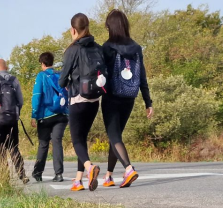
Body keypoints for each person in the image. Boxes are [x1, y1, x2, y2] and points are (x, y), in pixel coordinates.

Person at [102, 9, 153, 188]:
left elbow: (101, 74)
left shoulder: (107, 47)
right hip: (130, 96)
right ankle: (108, 175)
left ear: (110, 26)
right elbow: (142, 77)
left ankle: (129, 169)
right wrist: (148, 102)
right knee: (116, 137)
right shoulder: (136, 47)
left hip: (112, 96)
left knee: (114, 135)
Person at [59, 13, 106, 192]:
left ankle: (89, 167)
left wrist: (65, 84)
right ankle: (78, 180)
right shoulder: (98, 48)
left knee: (77, 140)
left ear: (73, 29)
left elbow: (62, 80)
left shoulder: (72, 50)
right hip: (94, 100)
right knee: (83, 139)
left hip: (78, 98)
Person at [0, 59, 27, 183]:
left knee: (0, 149)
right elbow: (20, 101)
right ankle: (22, 174)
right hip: (12, 120)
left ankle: (4, 178)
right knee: (14, 147)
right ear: (6, 67)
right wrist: (15, 114)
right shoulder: (14, 79)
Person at [30, 51, 69, 183]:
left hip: (46, 115)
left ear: (42, 63)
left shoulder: (41, 76)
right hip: (62, 114)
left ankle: (38, 173)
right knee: (57, 142)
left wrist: (34, 115)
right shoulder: (60, 74)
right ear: (52, 62)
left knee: (43, 144)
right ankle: (59, 174)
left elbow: (37, 96)